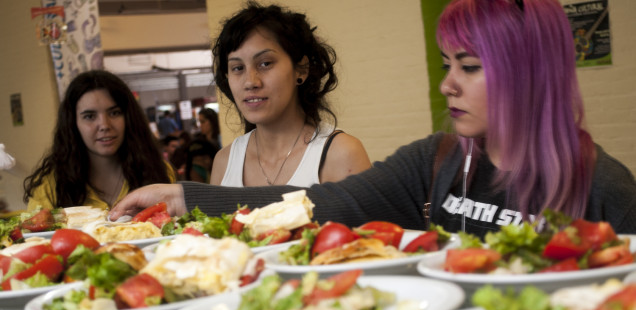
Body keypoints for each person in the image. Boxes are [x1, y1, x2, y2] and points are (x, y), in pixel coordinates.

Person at [111, 0, 636, 236]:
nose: (447, 84)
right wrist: (182, 196)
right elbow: (316, 203)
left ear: (532, 72)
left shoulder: (606, 187)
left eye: (469, 67)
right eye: (447, 64)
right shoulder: (436, 159)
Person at [209, 1, 372, 187]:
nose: (250, 82)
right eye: (237, 68)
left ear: (301, 69)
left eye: (265, 63)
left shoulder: (341, 154)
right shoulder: (224, 162)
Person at [24, 70, 176, 211]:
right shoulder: (49, 186)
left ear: (129, 118)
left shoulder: (158, 171)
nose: (104, 125)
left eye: (114, 113)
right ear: (73, 124)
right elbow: (36, 238)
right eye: (89, 116)